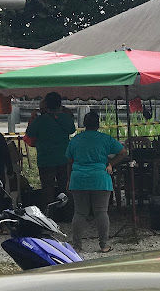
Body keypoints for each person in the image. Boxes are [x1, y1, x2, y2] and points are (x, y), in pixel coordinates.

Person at [66, 111, 128, 253]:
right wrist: (111, 164)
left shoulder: (76, 139)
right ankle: (104, 245)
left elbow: (69, 161)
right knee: (101, 212)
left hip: (79, 179)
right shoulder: (105, 138)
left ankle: (76, 246)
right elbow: (123, 152)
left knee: (80, 213)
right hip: (100, 178)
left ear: (84, 124)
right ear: (98, 125)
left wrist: (69, 179)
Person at [24, 91, 76, 204]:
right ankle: (65, 213)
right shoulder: (66, 118)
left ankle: (49, 215)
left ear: (46, 105)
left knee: (47, 189)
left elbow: (29, 134)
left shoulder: (40, 120)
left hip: (45, 160)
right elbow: (72, 130)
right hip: (64, 159)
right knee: (64, 188)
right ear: (60, 104)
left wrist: (33, 118)